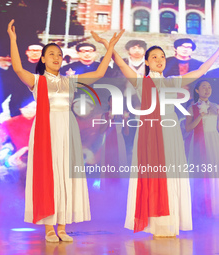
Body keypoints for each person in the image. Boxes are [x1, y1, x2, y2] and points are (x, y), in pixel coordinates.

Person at [91, 32, 219, 237]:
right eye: (154, 58)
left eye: (161, 57)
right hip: (150, 131)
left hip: (170, 133)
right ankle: (155, 223)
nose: (159, 60)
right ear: (147, 63)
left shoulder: (173, 81)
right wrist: (109, 46)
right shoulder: (141, 81)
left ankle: (170, 221)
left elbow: (202, 69)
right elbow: (121, 65)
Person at [7, 19, 123, 242]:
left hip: (67, 130)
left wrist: (108, 47)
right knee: (48, 176)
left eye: (59, 55)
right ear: (42, 59)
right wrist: (13, 40)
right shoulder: (37, 81)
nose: (56, 58)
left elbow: (99, 73)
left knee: (65, 176)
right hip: (46, 130)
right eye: (51, 54)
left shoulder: (70, 82)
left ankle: (62, 226)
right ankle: (49, 227)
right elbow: (17, 68)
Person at [185, 80, 219, 217]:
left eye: (209, 87)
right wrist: (200, 116)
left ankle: (214, 206)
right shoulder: (191, 108)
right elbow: (188, 128)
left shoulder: (216, 106)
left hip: (214, 140)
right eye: (204, 87)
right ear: (197, 90)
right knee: (200, 172)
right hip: (199, 141)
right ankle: (200, 207)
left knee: (214, 172)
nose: (207, 89)